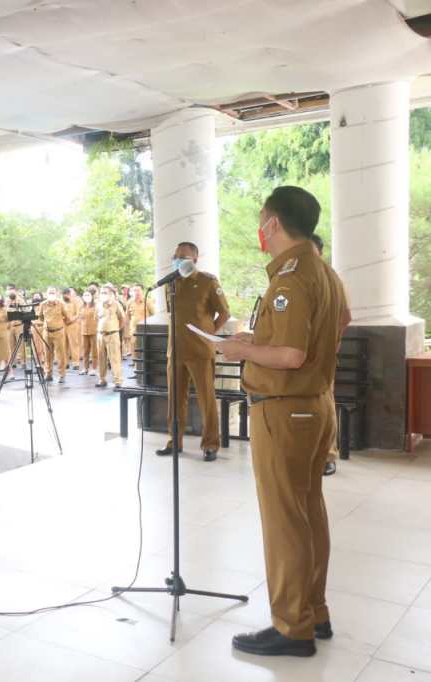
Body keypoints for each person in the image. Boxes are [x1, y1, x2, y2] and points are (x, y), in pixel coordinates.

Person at [217, 186, 343, 657]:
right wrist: (260, 340)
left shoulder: (290, 278)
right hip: (314, 404)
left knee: (285, 520)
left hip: (285, 410)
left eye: (262, 222)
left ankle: (292, 627)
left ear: (272, 224)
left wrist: (241, 350)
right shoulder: (324, 271)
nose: (261, 231)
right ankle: (315, 610)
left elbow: (290, 355)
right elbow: (329, 328)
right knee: (308, 511)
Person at [154, 242, 230, 463]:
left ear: (195, 260)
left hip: (200, 351)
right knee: (175, 400)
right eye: (176, 255)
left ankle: (210, 444)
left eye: (183, 256)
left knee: (207, 400)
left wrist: (209, 335)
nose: (178, 259)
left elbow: (224, 313)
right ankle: (174, 441)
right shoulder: (172, 283)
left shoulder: (207, 282)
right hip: (176, 351)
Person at [311, 233, 351, 476]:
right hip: (294, 355)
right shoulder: (292, 276)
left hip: (321, 356)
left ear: (321, 252)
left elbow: (345, 317)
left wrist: (332, 342)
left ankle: (328, 455)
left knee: (325, 403)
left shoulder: (331, 277)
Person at [39, 287, 71, 383]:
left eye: (53, 293)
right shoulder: (43, 304)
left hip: (58, 332)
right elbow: (40, 317)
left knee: (60, 355)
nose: (51, 295)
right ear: (46, 294)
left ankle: (62, 375)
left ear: (56, 294)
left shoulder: (61, 304)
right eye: (50, 293)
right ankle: (48, 374)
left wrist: (59, 324)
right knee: (47, 354)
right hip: (47, 332)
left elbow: (67, 317)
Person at [95, 285, 125, 388]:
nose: (103, 294)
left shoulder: (116, 304)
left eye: (105, 292)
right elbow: (96, 319)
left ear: (111, 294)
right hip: (100, 335)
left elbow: (122, 319)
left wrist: (116, 329)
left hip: (112, 334)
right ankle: (102, 379)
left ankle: (118, 381)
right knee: (101, 358)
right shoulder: (98, 305)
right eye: (102, 292)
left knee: (114, 358)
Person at [124, 284, 155, 359]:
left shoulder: (147, 301)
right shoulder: (129, 302)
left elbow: (154, 315)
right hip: (134, 330)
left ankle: (145, 364)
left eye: (138, 290)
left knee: (145, 349)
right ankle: (135, 364)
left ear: (142, 291)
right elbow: (127, 317)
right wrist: (126, 332)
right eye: (134, 290)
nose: (136, 292)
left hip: (145, 330)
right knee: (134, 349)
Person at [79, 288, 99, 375]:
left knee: (94, 351)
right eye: (85, 295)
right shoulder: (82, 307)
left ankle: (94, 368)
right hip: (84, 331)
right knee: (85, 351)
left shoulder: (96, 306)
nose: (86, 297)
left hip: (94, 331)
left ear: (92, 296)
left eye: (88, 295)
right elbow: (80, 317)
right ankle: (85, 368)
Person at [62, 288, 81, 370]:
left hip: (73, 325)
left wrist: (71, 320)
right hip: (63, 325)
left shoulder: (75, 302)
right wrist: (63, 319)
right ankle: (65, 362)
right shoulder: (61, 303)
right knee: (64, 344)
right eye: (64, 294)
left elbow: (78, 313)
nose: (66, 296)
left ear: (70, 294)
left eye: (67, 294)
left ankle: (76, 363)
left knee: (74, 344)